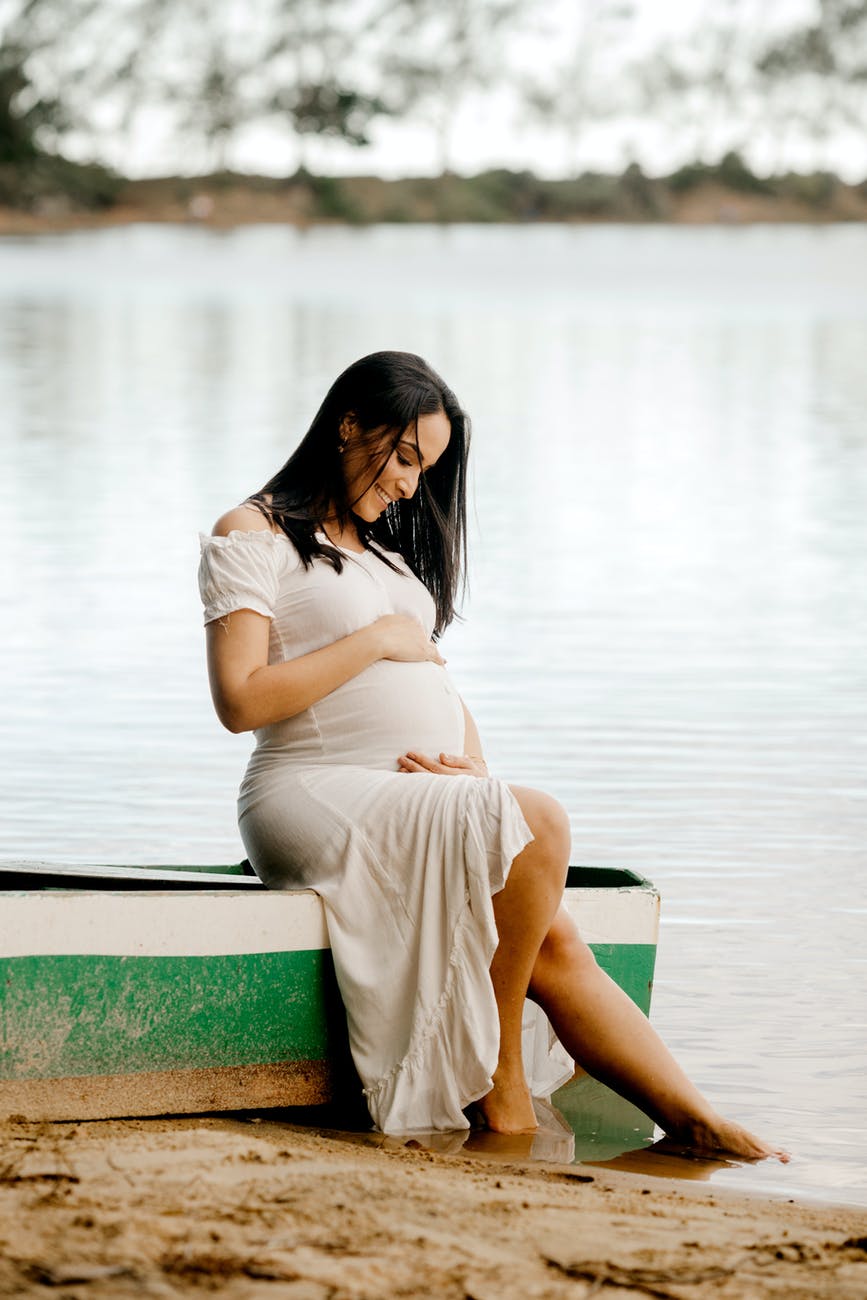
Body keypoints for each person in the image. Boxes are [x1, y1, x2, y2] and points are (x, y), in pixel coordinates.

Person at [198, 350, 786, 1159]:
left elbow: (434, 683)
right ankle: (500, 1068)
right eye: (404, 457)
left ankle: (691, 1117)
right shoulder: (251, 533)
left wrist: (471, 773)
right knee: (538, 819)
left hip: (409, 794)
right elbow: (240, 701)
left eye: (425, 469)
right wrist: (374, 641)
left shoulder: (387, 560)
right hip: (310, 791)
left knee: (555, 938)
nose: (411, 485)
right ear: (348, 424)